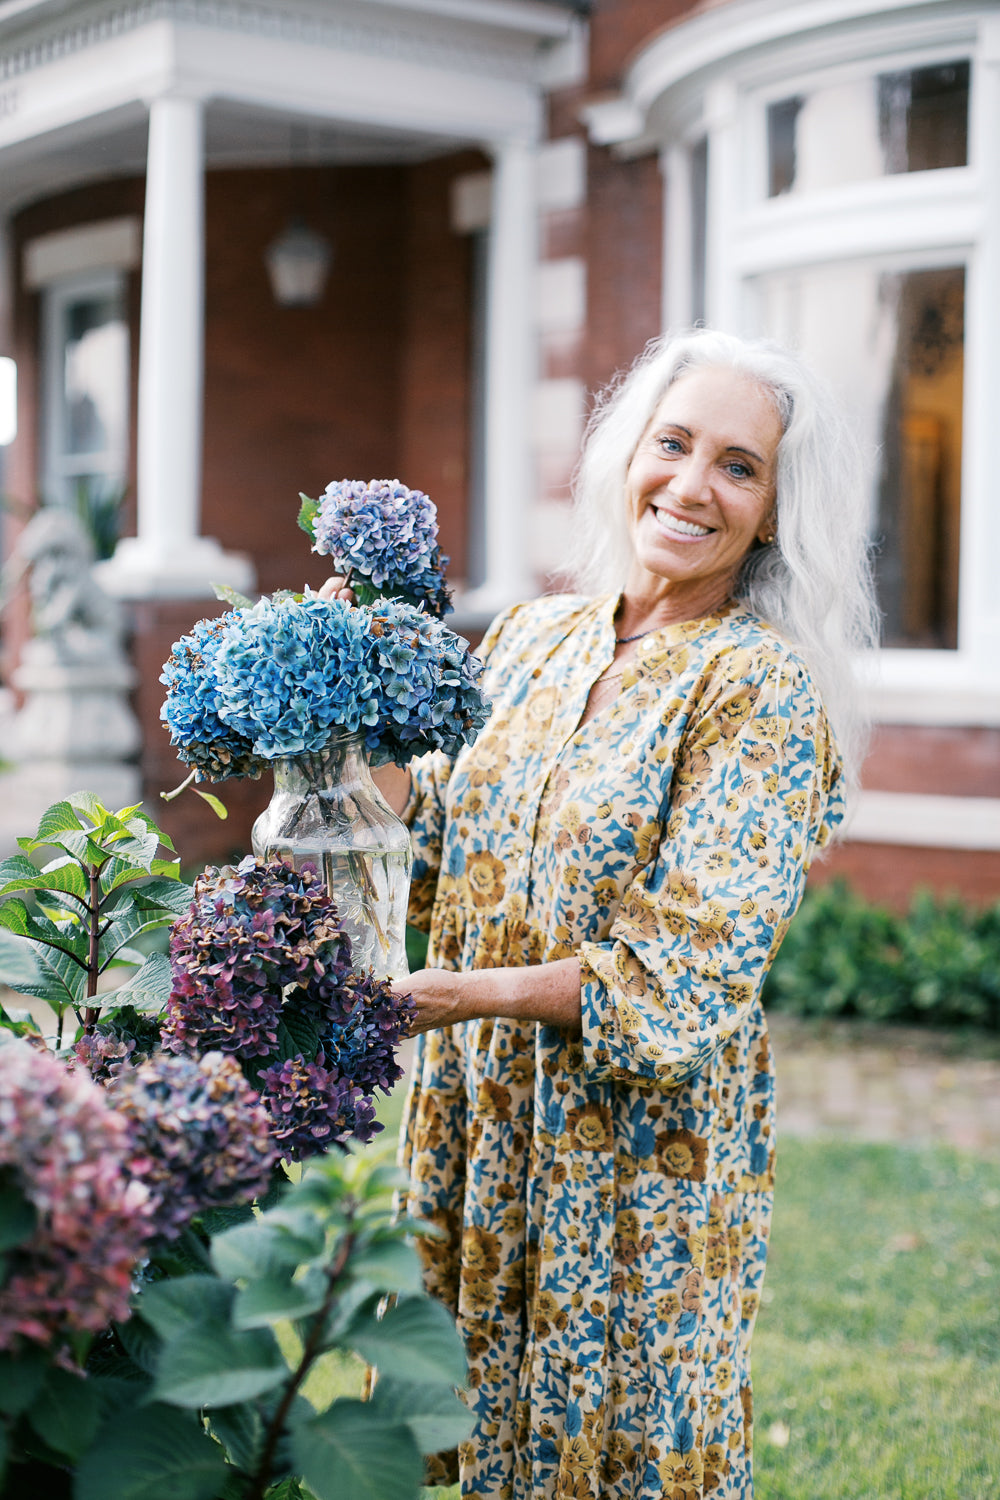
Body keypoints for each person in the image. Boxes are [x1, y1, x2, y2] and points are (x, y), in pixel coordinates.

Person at [322, 328, 877, 1500]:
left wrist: (456, 997)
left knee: (613, 1446)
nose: (689, 485)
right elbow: (427, 850)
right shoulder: (534, 637)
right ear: (628, 454)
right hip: (480, 1130)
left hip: (630, 1160)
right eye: (671, 444)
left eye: (738, 465)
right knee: (461, 1432)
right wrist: (345, 690)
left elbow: (689, 968)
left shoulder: (758, 690)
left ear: (774, 511)